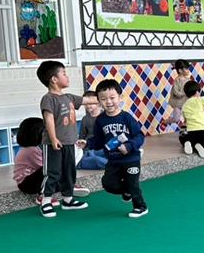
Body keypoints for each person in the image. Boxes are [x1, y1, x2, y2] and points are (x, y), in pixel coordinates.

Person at [88, 78, 148, 218]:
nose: (108, 102)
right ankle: (126, 190)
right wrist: (86, 144)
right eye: (103, 99)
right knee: (108, 184)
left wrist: (129, 146)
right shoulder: (100, 120)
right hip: (113, 161)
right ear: (99, 101)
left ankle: (140, 206)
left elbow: (139, 136)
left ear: (120, 98)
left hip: (131, 159)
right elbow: (98, 141)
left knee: (133, 184)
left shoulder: (127, 118)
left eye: (112, 97)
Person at [37, 60, 88, 217]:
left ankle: (68, 200)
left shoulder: (69, 97)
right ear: (54, 79)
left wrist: (107, 99)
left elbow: (87, 100)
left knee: (69, 171)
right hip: (54, 143)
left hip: (69, 143)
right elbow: (49, 119)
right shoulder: (48, 98)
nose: (67, 76)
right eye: (64, 73)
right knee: (53, 172)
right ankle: (46, 201)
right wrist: (53, 139)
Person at [179, 80, 204, 158]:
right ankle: (200, 145)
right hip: (202, 129)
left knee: (188, 138)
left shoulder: (184, 106)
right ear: (197, 92)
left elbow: (185, 121)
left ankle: (187, 142)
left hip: (191, 130)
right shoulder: (199, 100)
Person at [13, 117, 45, 197]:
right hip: (26, 184)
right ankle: (44, 194)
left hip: (25, 182)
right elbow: (44, 165)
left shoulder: (28, 148)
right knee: (50, 168)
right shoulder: (32, 150)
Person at [77, 91, 108, 170]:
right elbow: (82, 136)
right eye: (86, 104)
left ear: (98, 103)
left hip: (103, 147)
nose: (88, 106)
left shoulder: (106, 116)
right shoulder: (85, 119)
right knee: (95, 159)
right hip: (89, 148)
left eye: (90, 103)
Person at [165, 60, 192, 132]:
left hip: (186, 103)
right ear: (180, 70)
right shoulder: (177, 80)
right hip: (177, 103)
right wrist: (184, 93)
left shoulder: (188, 80)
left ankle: (185, 132)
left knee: (188, 118)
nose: (188, 70)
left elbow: (191, 89)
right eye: (186, 69)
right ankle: (165, 122)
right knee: (176, 118)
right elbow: (176, 92)